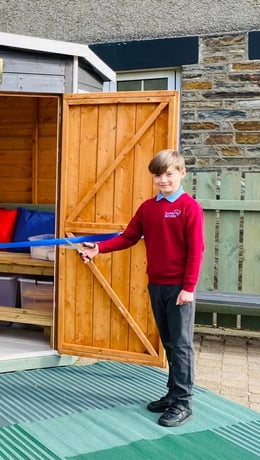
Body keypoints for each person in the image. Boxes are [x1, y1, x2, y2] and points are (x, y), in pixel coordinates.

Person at [80, 149, 205, 428]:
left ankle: (183, 403)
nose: (163, 180)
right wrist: (99, 248)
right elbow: (128, 237)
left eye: (169, 174)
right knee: (170, 343)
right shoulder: (148, 208)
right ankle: (173, 394)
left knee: (181, 345)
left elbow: (197, 250)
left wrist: (189, 288)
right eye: (158, 175)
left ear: (181, 173)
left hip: (179, 288)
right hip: (156, 285)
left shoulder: (189, 208)